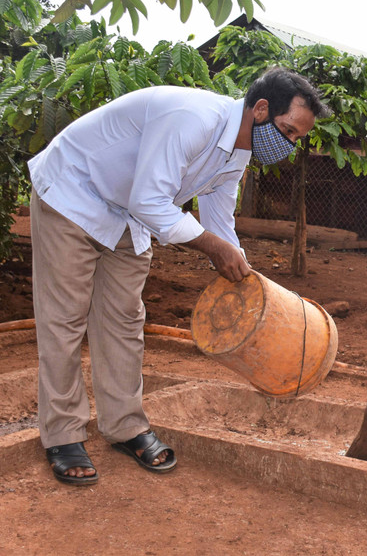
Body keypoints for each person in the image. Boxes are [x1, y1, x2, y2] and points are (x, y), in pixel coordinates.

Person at [28, 66, 330, 485]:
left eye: (297, 138)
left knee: (124, 321)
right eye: (287, 131)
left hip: (127, 214)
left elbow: (220, 220)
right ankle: (62, 435)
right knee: (64, 319)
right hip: (74, 194)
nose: (290, 145)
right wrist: (212, 248)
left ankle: (124, 426)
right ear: (260, 109)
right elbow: (151, 200)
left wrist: (243, 273)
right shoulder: (192, 118)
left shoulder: (237, 153)